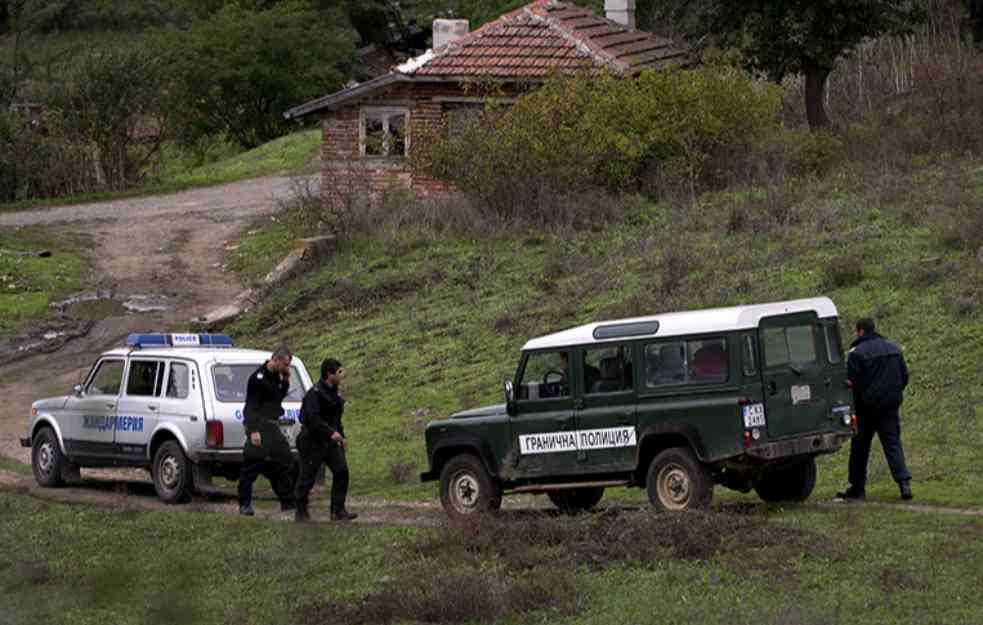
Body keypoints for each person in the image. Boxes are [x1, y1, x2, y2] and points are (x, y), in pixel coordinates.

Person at [837, 318, 913, 501]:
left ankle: (857, 488)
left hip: (866, 409)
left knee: (860, 449)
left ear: (861, 331)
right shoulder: (894, 349)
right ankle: (904, 484)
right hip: (889, 407)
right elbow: (904, 377)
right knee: (893, 444)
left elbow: (850, 382)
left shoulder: (857, 353)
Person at [294, 358, 357, 522]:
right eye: (338, 372)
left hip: (330, 441)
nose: (341, 376)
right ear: (329, 374)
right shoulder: (314, 393)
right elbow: (311, 418)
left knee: (341, 471)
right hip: (312, 440)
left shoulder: (334, 392)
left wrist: (342, 437)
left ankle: (338, 511)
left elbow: (335, 418)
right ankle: (301, 512)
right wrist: (330, 433)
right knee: (307, 477)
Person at [238, 346, 297, 516]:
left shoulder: (275, 377)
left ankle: (288, 503)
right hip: (258, 426)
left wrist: (285, 381)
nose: (287, 368)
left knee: (286, 462)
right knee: (251, 467)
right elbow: (250, 407)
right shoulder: (258, 378)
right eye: (285, 364)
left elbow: (276, 399)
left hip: (272, 427)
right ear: (276, 360)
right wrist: (254, 431)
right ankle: (245, 504)